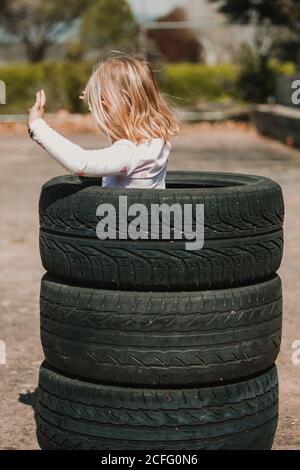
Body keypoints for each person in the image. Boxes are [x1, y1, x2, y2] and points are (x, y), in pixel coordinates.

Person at [27, 55, 180, 189]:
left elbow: (80, 163)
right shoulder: (157, 143)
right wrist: (97, 99)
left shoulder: (128, 153)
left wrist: (37, 125)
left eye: (97, 109)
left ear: (107, 108)